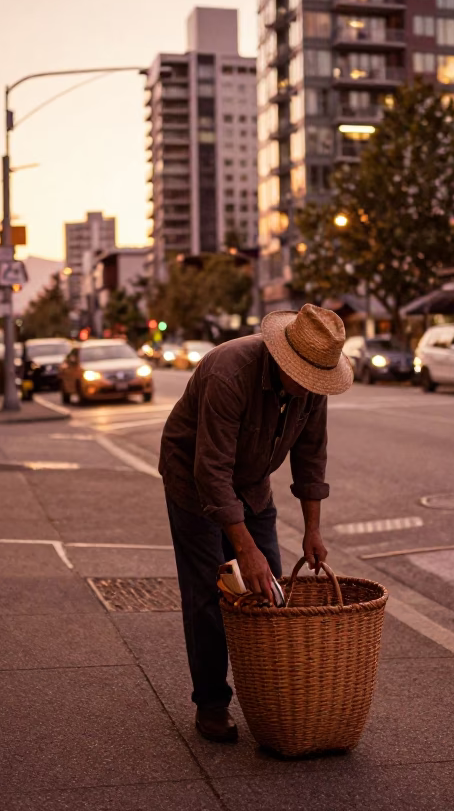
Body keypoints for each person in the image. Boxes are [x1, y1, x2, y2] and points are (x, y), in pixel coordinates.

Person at [158, 304, 354, 743]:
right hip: (192, 481)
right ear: (284, 357)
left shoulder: (313, 382)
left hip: (252, 484)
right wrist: (244, 550)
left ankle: (268, 698)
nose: (309, 388)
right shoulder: (229, 372)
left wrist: (313, 530)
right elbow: (211, 473)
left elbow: (311, 459)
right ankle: (211, 704)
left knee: (269, 591)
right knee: (213, 592)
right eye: (302, 378)